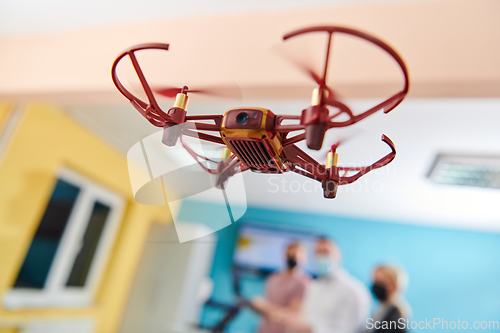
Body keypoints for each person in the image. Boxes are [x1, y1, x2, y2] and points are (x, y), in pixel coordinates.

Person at [252, 237, 370, 333]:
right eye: (317, 253)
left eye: (325, 252)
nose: (321, 257)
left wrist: (310, 329)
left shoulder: (353, 291)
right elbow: (305, 318)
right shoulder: (315, 287)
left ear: (338, 254)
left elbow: (350, 329)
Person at [256, 242, 312, 333]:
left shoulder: (304, 283)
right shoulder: (272, 278)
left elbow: (292, 316)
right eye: (290, 254)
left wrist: (263, 306)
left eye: (296, 255)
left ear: (304, 258)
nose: (293, 258)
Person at [366, 264, 411, 333]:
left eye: (381, 282)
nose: (376, 286)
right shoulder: (380, 311)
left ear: (394, 286)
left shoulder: (394, 319)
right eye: (375, 281)